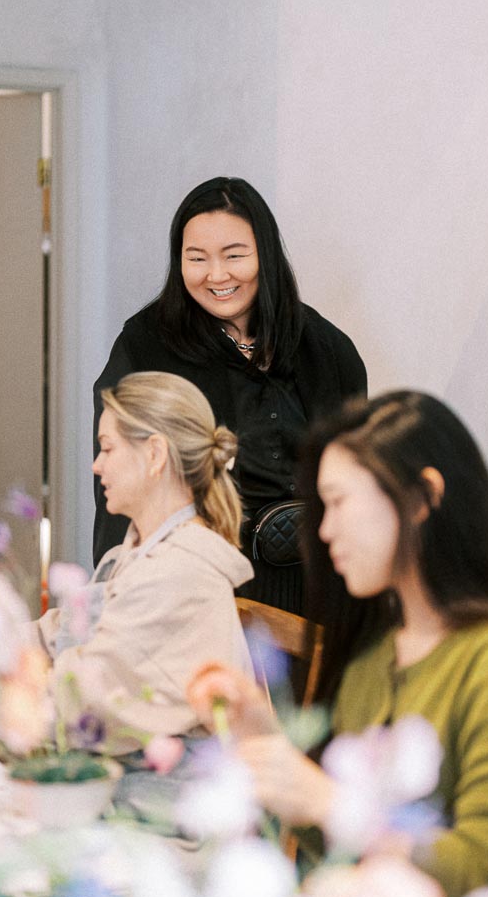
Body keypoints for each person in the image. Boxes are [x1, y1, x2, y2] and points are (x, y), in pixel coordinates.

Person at [188, 390, 488, 897]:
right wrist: (267, 743)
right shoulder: (375, 656)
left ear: (421, 498)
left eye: (339, 502)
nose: (323, 530)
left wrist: (331, 803)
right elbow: (337, 848)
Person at [93, 177, 366, 615]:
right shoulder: (145, 346)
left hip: (314, 589)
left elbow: (357, 487)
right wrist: (123, 602)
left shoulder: (327, 349)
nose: (216, 276)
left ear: (266, 255)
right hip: (196, 589)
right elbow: (119, 485)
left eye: (234, 256)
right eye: (196, 258)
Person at [33, 371, 253, 752]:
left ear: (154, 454)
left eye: (107, 448)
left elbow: (88, 706)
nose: (96, 465)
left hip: (169, 799)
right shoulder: (132, 556)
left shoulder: (181, 573)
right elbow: (54, 636)